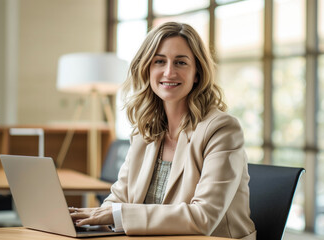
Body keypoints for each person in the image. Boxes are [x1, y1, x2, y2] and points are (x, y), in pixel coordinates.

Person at [70, 22, 256, 240]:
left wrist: (115, 214)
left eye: (181, 62)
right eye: (159, 61)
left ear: (197, 73)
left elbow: (203, 216)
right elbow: (119, 199)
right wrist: (87, 223)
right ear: (147, 69)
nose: (169, 72)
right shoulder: (145, 130)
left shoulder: (222, 129)